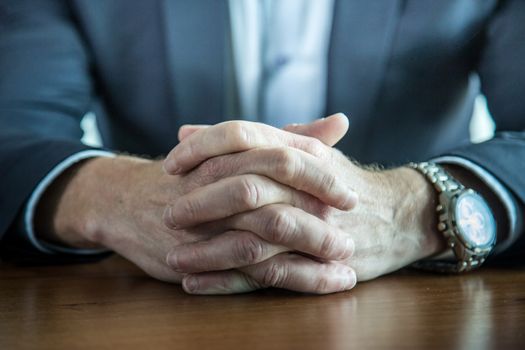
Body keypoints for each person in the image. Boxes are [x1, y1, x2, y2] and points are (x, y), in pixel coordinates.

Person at [0, 0, 523, 294]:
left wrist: (413, 211)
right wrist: (108, 200)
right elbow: (11, 131)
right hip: (160, 296)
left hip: (414, 299)